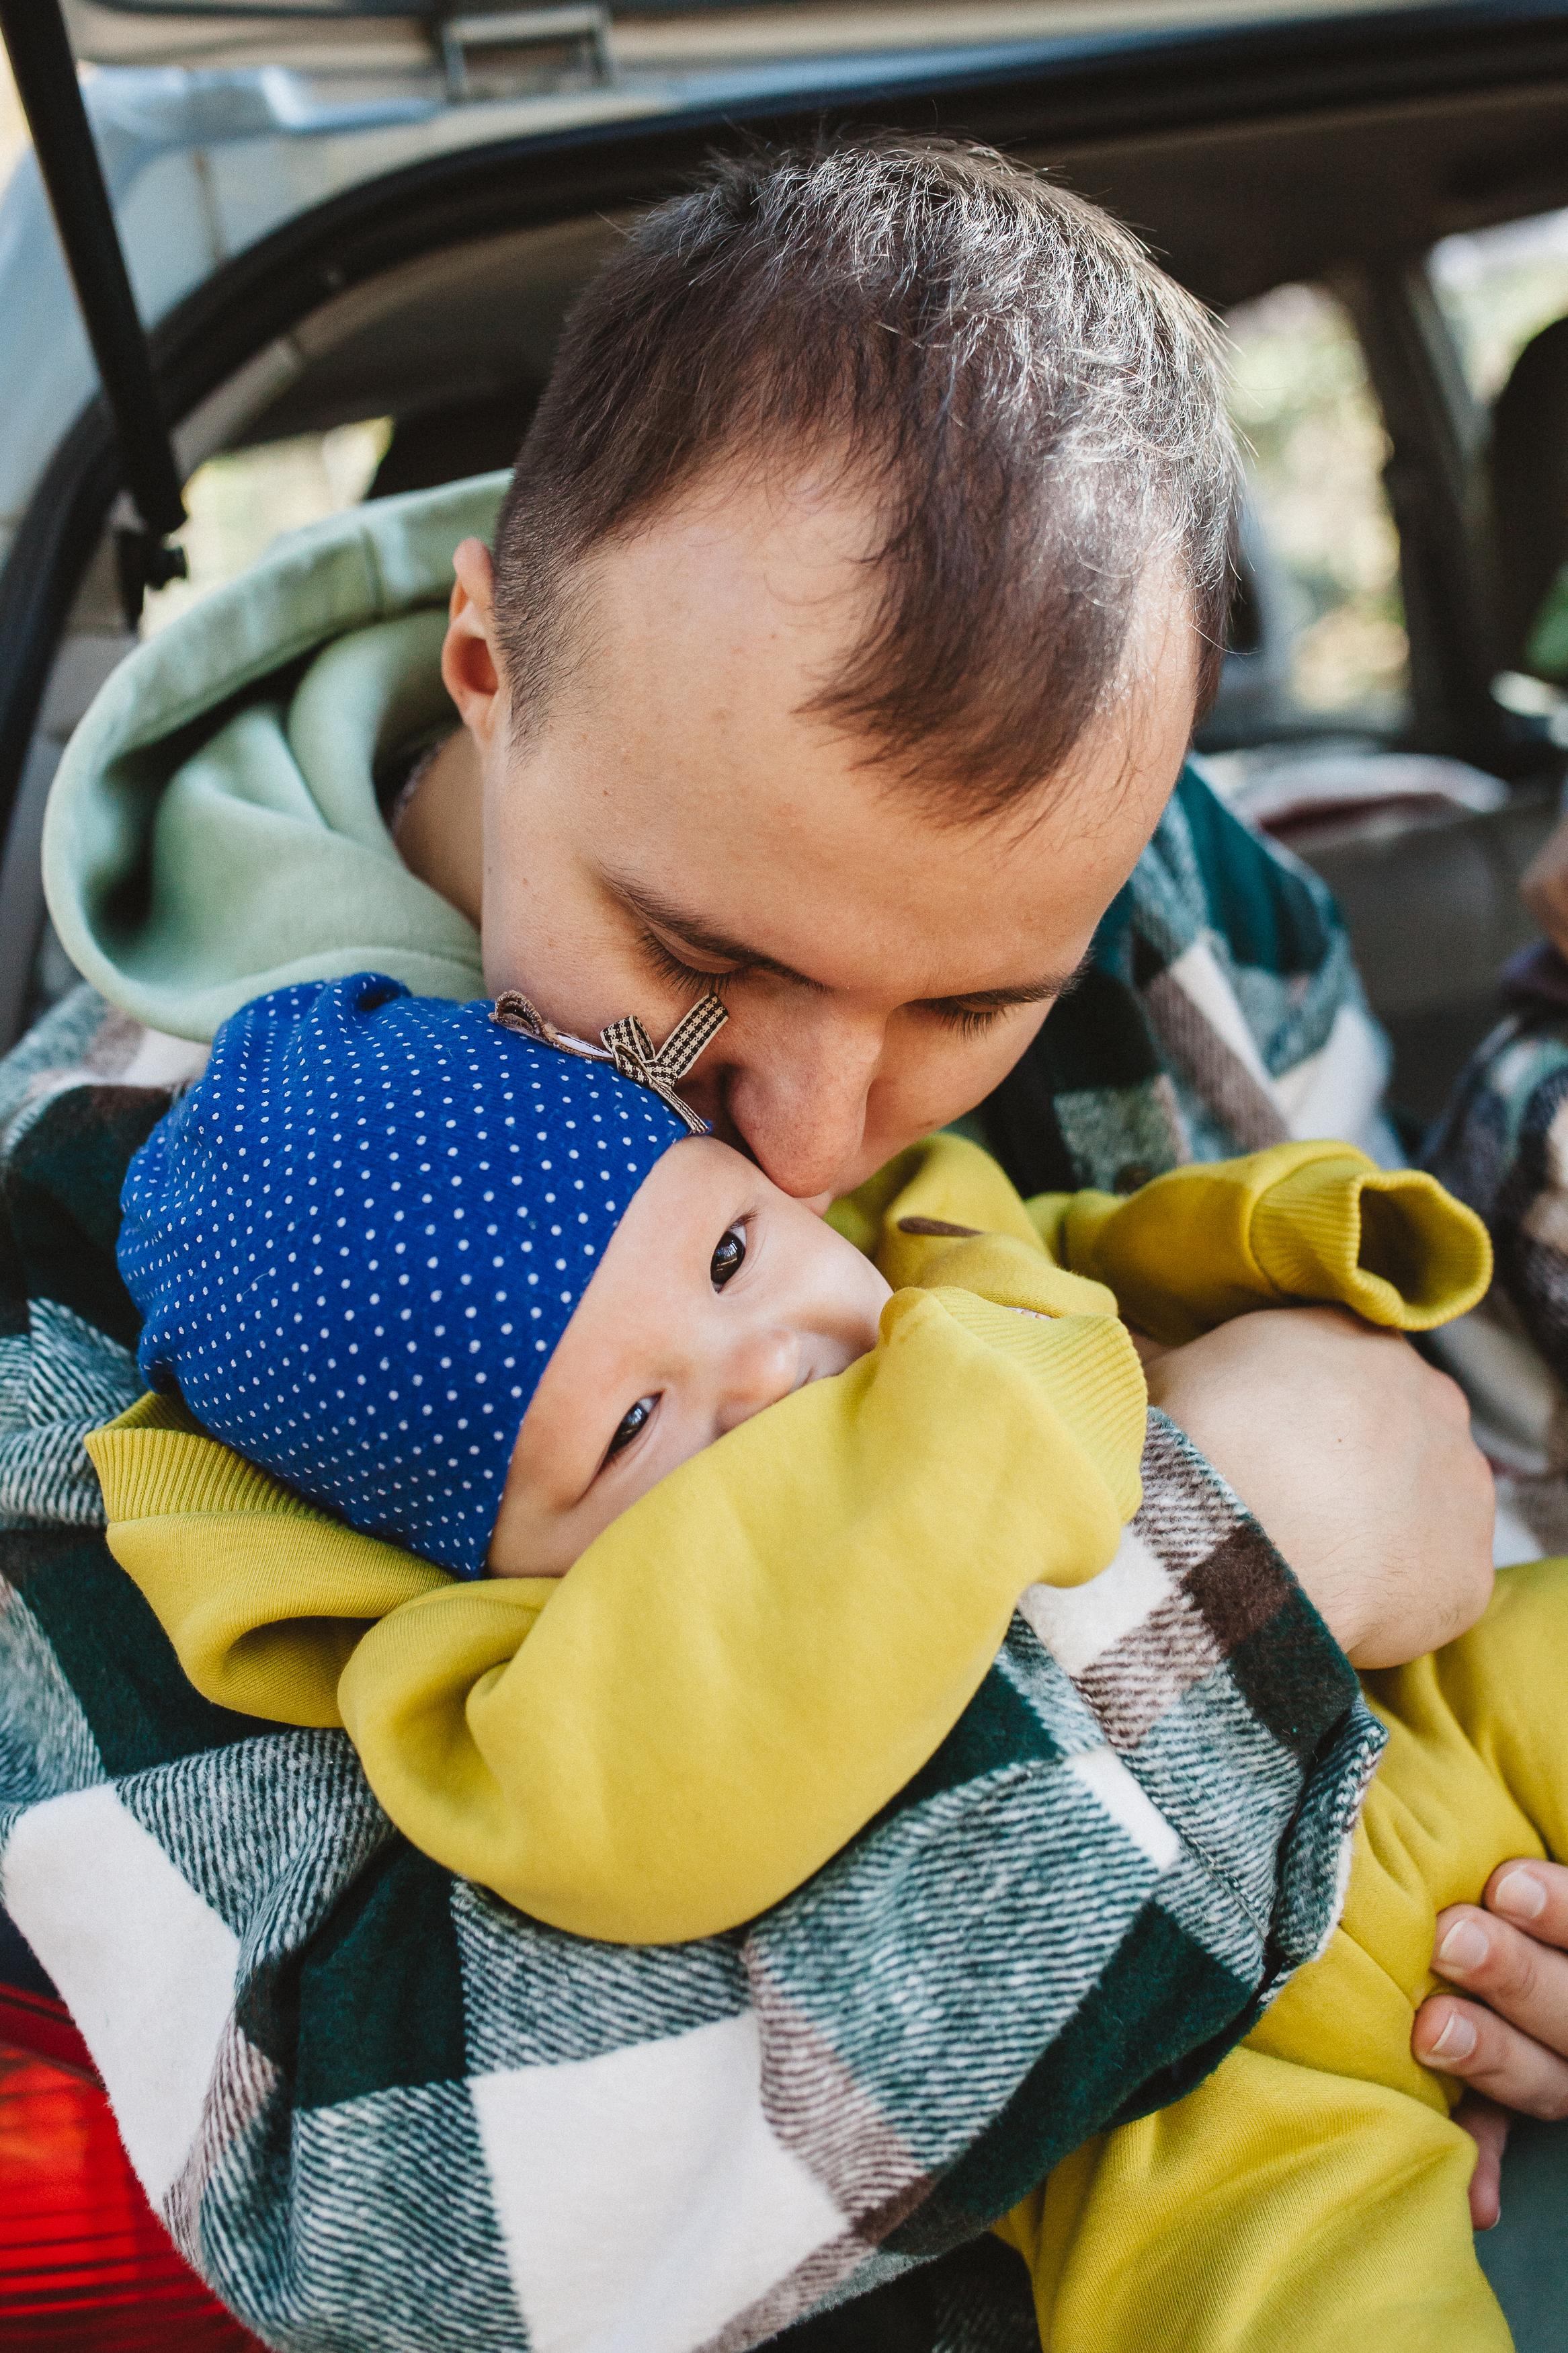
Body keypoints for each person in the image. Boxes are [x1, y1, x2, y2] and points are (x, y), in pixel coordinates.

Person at [3, 134, 1559, 2340]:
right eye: (694, 949)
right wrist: (1227, 1590)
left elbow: (1467, 1500)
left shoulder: (1165, 879)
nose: (817, 1134)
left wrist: (1485, 1908)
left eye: (969, 1004)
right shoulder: (83, 1255)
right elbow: (386, 2221)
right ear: (486, 663)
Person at [89, 966, 1541, 2351]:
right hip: (1192, 2059)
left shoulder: (916, 1245)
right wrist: (1167, 1483)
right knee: (1278, 2288)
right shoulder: (544, 1683)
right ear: (491, 1563)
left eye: (728, 1252)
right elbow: (635, 1811)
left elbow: (1089, 1257)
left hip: (1437, 1718)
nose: (765, 1365)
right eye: (631, 1425)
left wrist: (1282, 1244)